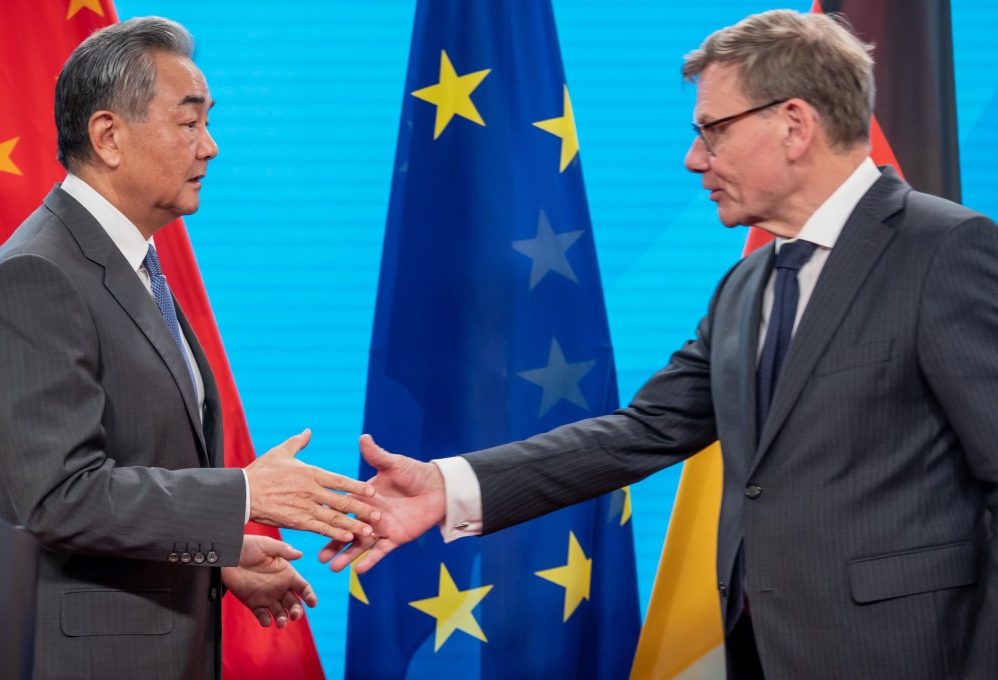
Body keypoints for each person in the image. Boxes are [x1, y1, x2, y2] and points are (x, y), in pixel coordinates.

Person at [321, 9, 998, 680]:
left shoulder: (944, 251)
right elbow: (641, 431)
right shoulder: (747, 284)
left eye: (713, 130)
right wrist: (447, 487)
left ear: (794, 125)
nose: (694, 159)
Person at [0, 17, 380, 680]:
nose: (211, 147)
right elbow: (59, 497)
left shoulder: (130, 263)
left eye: (207, 122)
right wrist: (244, 494)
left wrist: (217, 561)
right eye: (189, 123)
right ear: (108, 136)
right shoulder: (38, 274)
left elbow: (136, 465)